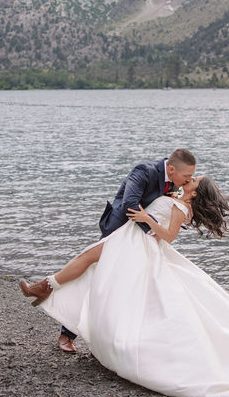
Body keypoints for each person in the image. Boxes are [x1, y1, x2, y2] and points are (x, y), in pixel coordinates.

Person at [18, 173, 229, 397]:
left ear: (194, 191)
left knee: (102, 269)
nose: (190, 179)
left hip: (140, 244)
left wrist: (146, 219)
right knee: (91, 261)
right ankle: (47, 288)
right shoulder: (179, 199)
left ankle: (49, 291)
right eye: (191, 177)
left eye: (193, 180)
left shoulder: (181, 206)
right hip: (131, 242)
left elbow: (169, 236)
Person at [20, 149, 197, 352]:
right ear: (172, 169)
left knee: (118, 286)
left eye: (191, 177)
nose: (188, 180)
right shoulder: (144, 171)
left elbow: (167, 211)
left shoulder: (176, 183)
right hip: (120, 230)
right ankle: (64, 327)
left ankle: (112, 338)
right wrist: (152, 231)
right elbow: (130, 204)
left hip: (140, 239)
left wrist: (178, 216)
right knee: (93, 276)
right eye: (186, 176)